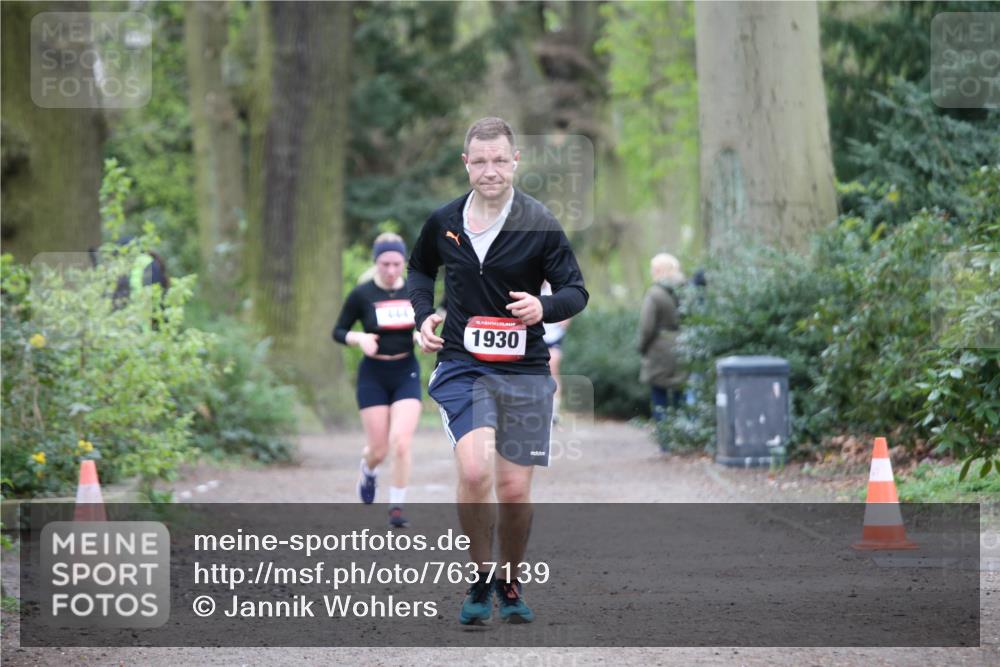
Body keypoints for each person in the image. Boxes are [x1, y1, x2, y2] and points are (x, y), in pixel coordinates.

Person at [408, 117, 588, 625]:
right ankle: (481, 576)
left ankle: (510, 580)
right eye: (480, 161)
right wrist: (424, 315)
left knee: (512, 491)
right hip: (465, 366)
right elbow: (421, 270)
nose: (490, 170)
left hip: (525, 371)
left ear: (515, 162)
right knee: (473, 469)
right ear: (467, 164)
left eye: (499, 160)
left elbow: (575, 290)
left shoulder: (540, 222)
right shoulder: (443, 221)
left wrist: (543, 308)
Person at [332, 232, 422, 528]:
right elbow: (339, 330)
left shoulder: (414, 291)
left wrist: (422, 335)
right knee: (379, 450)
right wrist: (359, 338)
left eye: (397, 264)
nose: (391, 270)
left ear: (404, 263)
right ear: (376, 263)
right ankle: (368, 470)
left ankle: (397, 507)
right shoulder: (362, 294)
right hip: (373, 374)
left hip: (406, 371)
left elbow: (425, 324)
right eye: (385, 264)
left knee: (400, 443)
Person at [639, 253, 687, 425]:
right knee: (680, 394)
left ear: (658, 270)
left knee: (659, 395)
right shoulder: (686, 290)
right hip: (685, 346)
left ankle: (665, 439)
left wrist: (642, 347)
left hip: (659, 350)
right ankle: (682, 435)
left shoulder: (655, 293)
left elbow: (646, 326)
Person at [540, 281, 571, 423]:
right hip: (536, 337)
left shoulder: (554, 289)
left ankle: (554, 411)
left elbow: (568, 308)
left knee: (553, 369)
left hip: (553, 337)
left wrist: (565, 320)